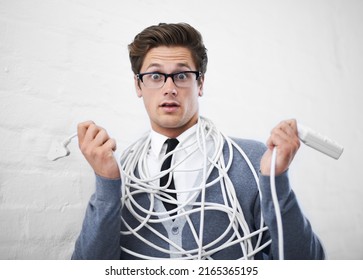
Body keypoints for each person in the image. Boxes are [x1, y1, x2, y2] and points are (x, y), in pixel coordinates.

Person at [71, 23, 325, 260]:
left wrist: (275, 182)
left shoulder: (251, 160)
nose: (169, 88)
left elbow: (309, 264)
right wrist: (107, 184)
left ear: (200, 83)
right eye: (155, 76)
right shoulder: (122, 171)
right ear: (138, 85)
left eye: (182, 76)